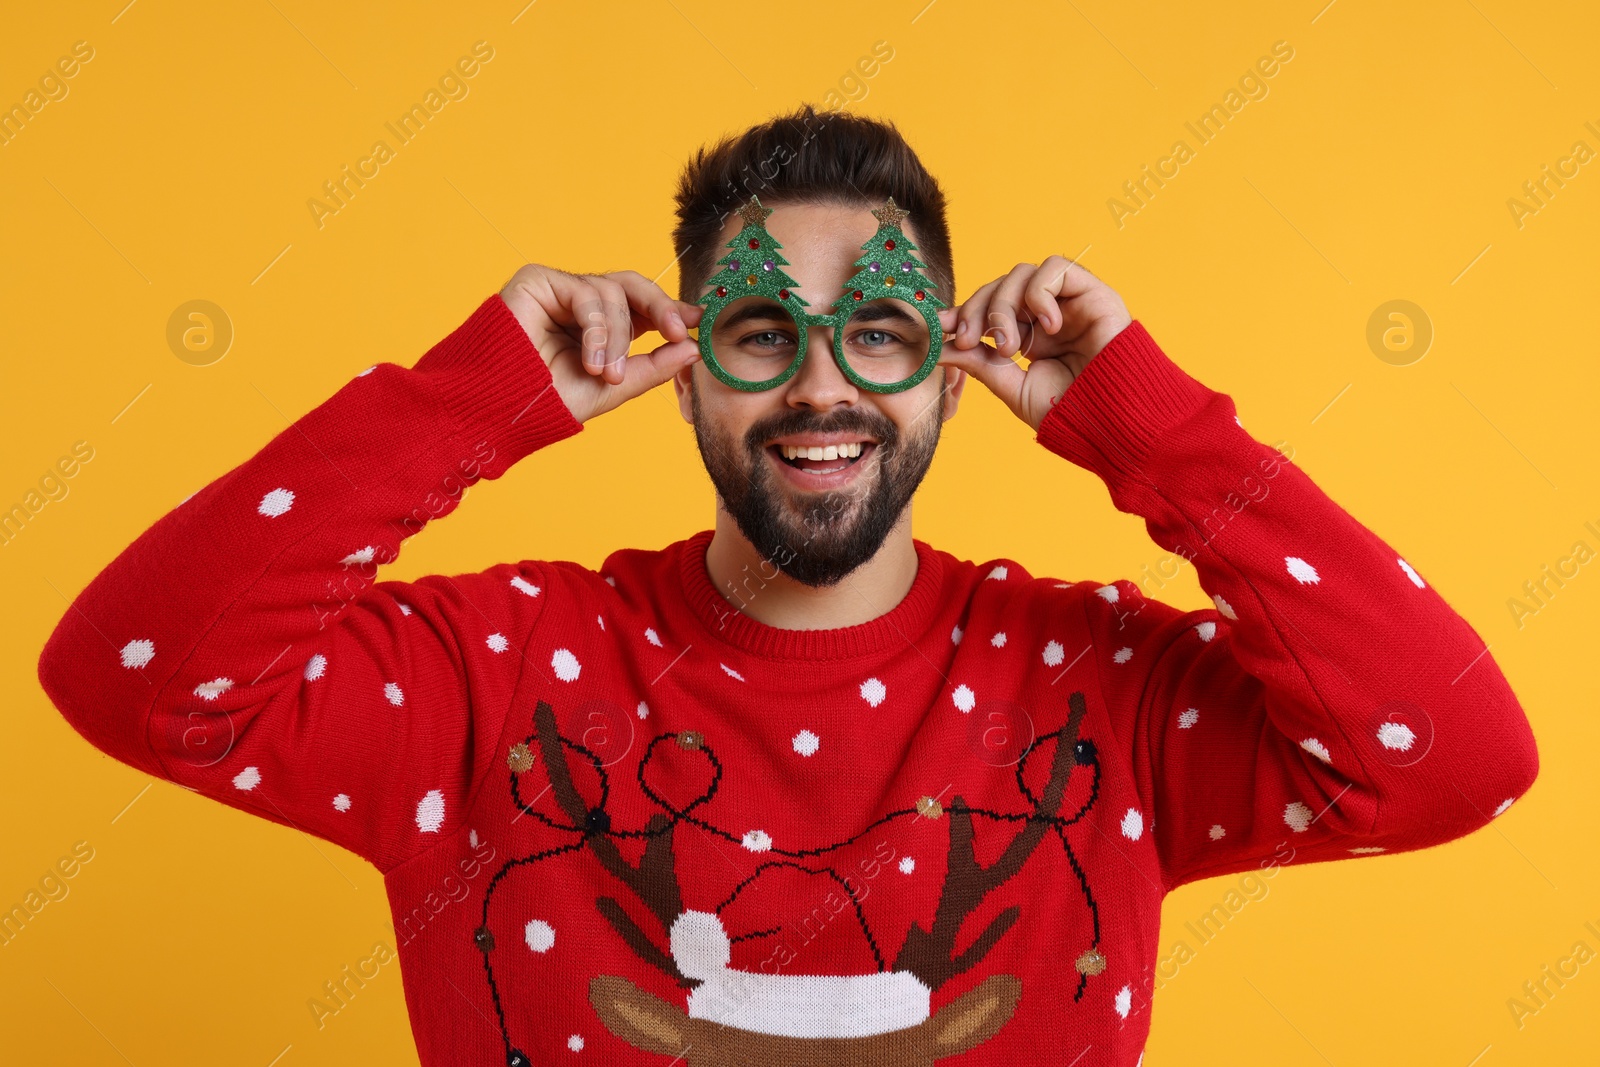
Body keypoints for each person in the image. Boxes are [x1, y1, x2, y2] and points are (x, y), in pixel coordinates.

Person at [39, 104, 1537, 1066]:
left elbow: (1459, 757)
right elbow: (133, 673)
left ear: (956, 366)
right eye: (762, 333)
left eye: (878, 335)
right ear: (684, 366)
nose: (823, 389)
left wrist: (1146, 423)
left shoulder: (1103, 693)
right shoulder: (492, 674)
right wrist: (472, 399)